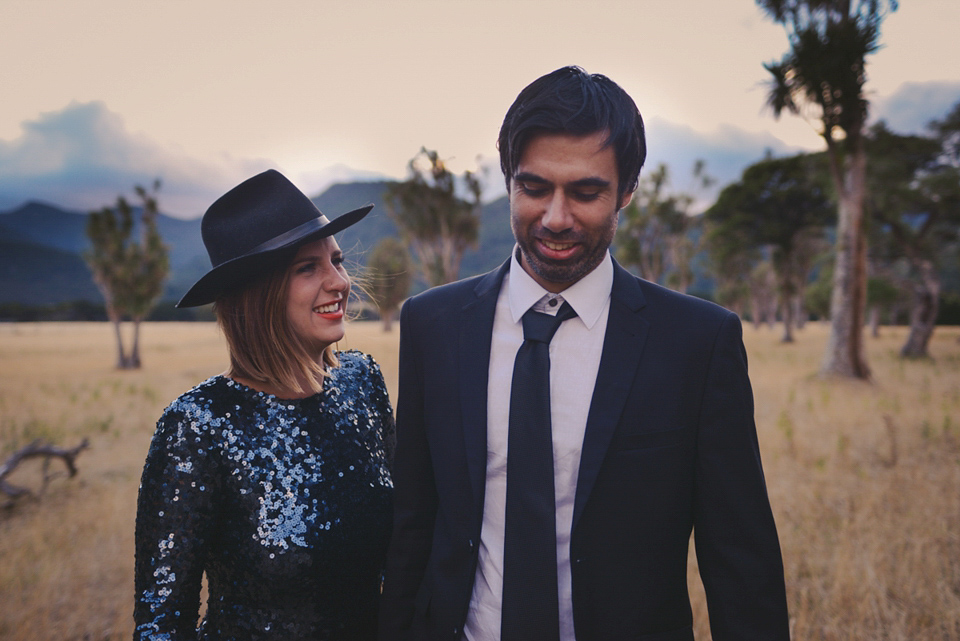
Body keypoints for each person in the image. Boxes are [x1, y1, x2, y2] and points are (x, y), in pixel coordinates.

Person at [378, 66, 789, 641]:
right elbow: (413, 528)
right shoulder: (433, 325)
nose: (555, 218)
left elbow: (740, 565)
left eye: (586, 191)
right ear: (508, 181)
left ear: (627, 191)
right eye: (535, 187)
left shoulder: (698, 343)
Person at [133, 169, 394, 640]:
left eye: (336, 261)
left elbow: (405, 548)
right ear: (258, 295)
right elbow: (161, 625)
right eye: (307, 268)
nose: (339, 281)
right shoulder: (198, 427)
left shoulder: (363, 383)